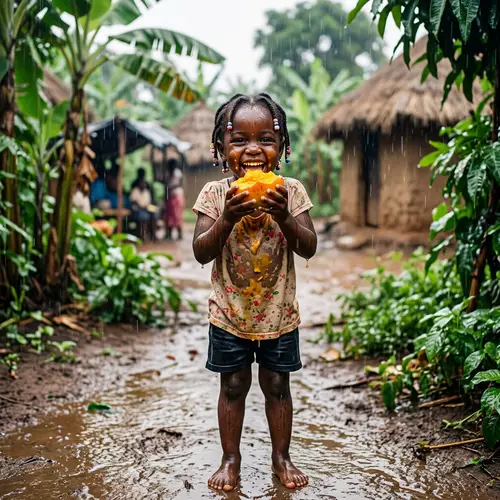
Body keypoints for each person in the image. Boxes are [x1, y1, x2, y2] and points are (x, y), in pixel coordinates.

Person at [192, 93, 317, 492]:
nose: (253, 149)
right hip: (228, 313)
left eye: (266, 138)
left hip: (279, 313)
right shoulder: (214, 195)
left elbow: (309, 246)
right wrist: (227, 217)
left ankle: (281, 457)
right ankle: (231, 459)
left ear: (282, 149)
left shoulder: (290, 192)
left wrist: (283, 216)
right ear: (220, 149)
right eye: (239, 140)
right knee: (232, 387)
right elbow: (200, 252)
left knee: (278, 387)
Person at [129, 175, 157, 241]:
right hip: (137, 210)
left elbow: (149, 202)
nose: (143, 185)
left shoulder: (147, 192)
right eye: (142, 183)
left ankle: (153, 235)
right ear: (139, 184)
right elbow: (133, 202)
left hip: (146, 209)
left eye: (144, 184)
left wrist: (146, 206)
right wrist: (141, 206)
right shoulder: (135, 191)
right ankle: (142, 235)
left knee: (154, 216)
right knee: (143, 217)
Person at [164, 158, 185, 240]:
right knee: (170, 215)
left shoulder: (177, 173)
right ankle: (169, 233)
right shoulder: (167, 173)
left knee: (177, 214)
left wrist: (170, 188)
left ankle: (179, 233)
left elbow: (179, 184)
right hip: (170, 196)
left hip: (177, 196)